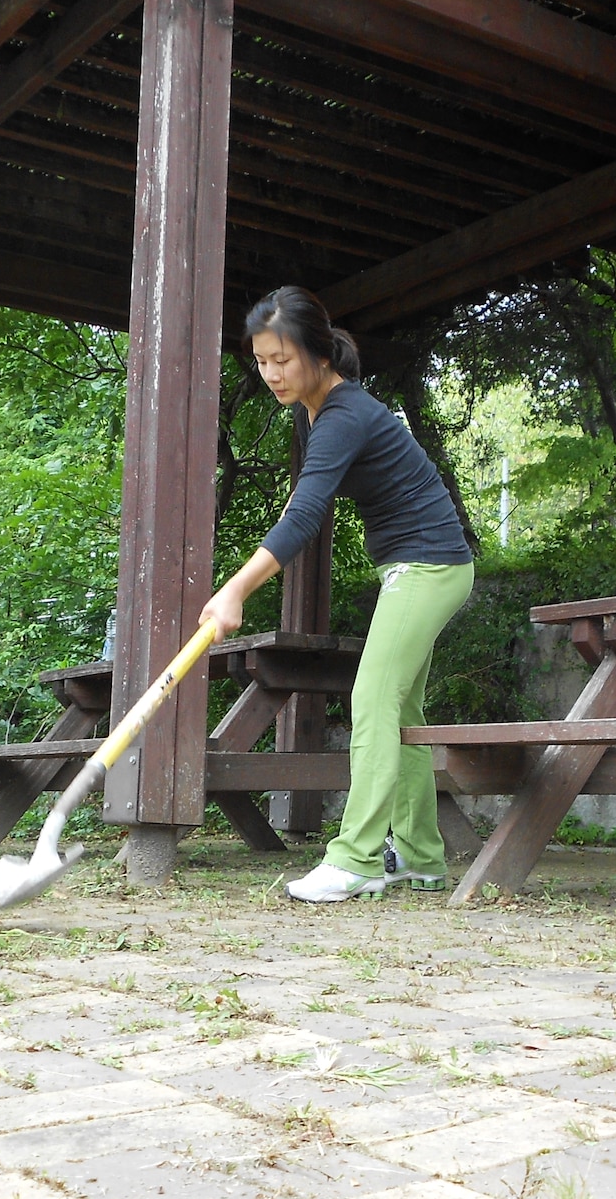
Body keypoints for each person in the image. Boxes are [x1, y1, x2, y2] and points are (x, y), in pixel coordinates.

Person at [200, 287, 474, 902]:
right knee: (399, 711)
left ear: (319, 354)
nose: (271, 374)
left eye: (283, 360)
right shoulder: (319, 409)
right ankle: (423, 857)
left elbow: (303, 518)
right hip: (419, 568)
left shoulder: (343, 414)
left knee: (371, 697)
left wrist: (234, 590)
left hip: (429, 568)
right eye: (262, 360)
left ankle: (357, 859)